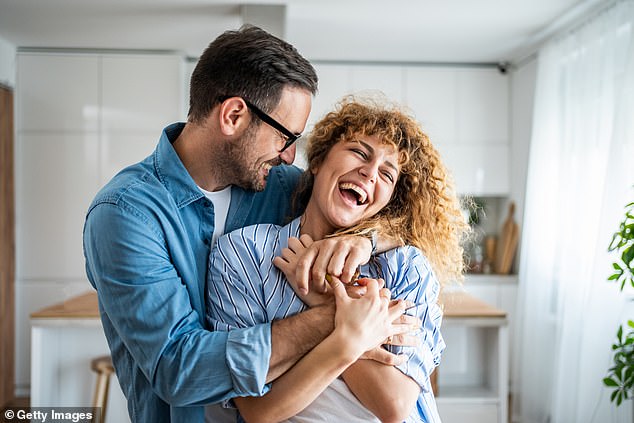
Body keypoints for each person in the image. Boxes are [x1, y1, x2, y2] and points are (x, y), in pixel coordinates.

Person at [83, 26, 411, 423]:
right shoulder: (124, 214)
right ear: (234, 115)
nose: (291, 157)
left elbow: (385, 210)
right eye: (286, 137)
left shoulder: (281, 185)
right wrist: (337, 316)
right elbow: (178, 368)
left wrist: (366, 240)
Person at [206, 97, 469, 422]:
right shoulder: (244, 254)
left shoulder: (404, 266)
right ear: (317, 160)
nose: (370, 173)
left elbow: (395, 405)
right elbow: (257, 410)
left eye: (387, 174)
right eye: (359, 152)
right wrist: (350, 328)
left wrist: (327, 298)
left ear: (388, 200)